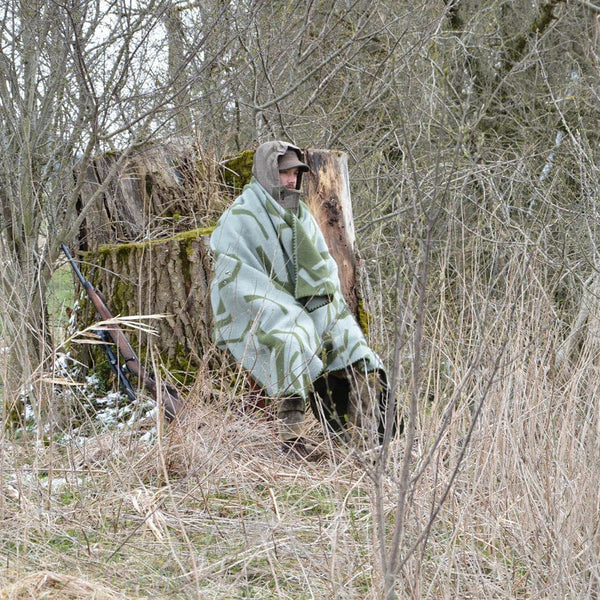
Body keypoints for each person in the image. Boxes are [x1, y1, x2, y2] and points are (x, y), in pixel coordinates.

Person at [210, 140, 397, 455]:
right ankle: (291, 437)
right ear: (267, 172)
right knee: (292, 340)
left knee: (350, 342)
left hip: (306, 306)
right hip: (261, 309)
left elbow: (323, 270)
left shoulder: (300, 215)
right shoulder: (239, 217)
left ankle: (369, 433)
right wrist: (285, 310)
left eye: (296, 173)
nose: (291, 180)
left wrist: (324, 310)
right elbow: (234, 279)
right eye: (284, 173)